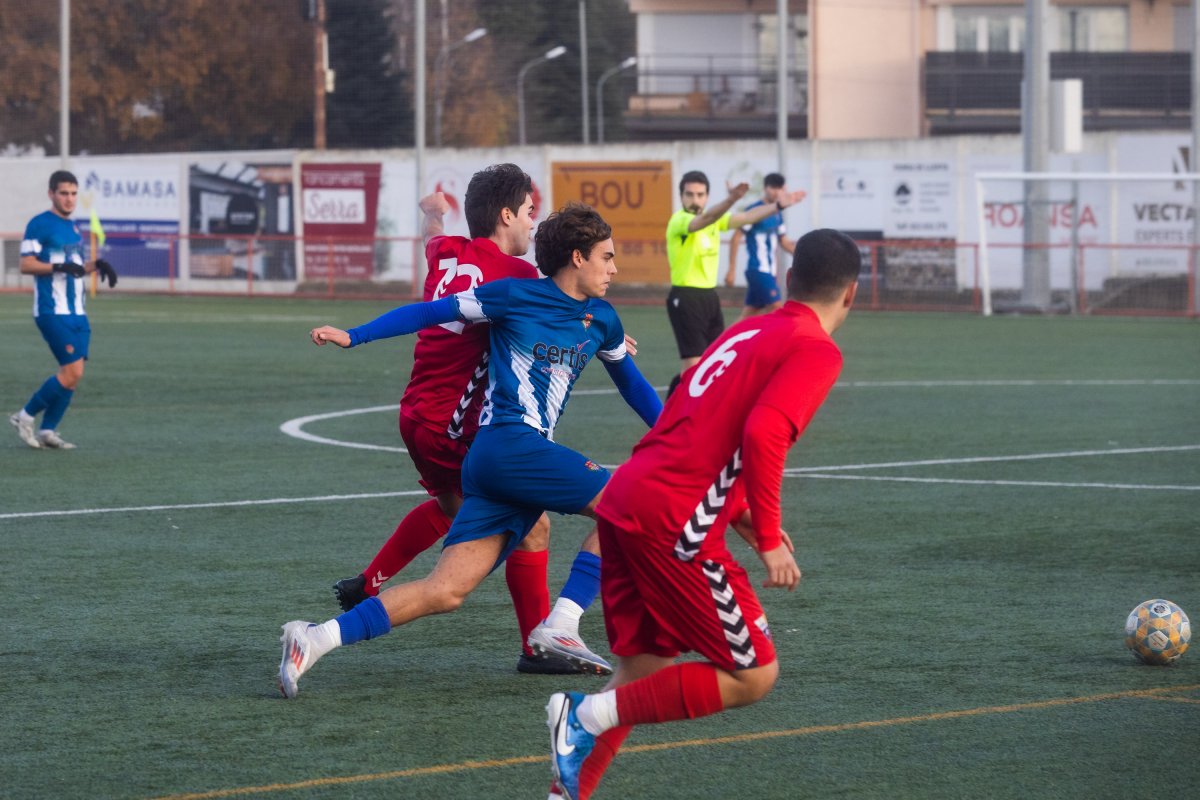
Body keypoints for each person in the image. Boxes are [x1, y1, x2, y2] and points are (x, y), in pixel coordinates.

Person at [279, 203, 662, 699]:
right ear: (577, 257)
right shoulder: (512, 296)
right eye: (606, 257)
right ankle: (562, 623)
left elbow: (634, 388)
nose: (614, 269)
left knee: (446, 590)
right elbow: (430, 312)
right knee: (630, 504)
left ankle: (313, 637)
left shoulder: (603, 320)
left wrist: (678, 432)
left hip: (498, 463)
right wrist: (355, 335)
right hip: (509, 446)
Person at [545, 228, 862, 800]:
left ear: (789, 281)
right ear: (853, 294)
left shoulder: (748, 328)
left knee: (638, 677)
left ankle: (564, 793)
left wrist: (738, 511)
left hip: (626, 500)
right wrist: (766, 535)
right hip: (673, 523)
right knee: (754, 673)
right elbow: (764, 431)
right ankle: (581, 718)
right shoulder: (816, 347)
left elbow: (696, 425)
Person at [326, 164, 606, 675]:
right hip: (458, 421)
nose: (532, 223)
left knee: (455, 508)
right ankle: (537, 644)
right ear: (505, 215)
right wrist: (599, 330)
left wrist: (433, 216)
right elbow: (559, 303)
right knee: (530, 527)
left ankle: (369, 583)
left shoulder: (446, 250)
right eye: (527, 213)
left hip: (415, 414)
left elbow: (434, 239)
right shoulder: (519, 277)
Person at [664, 170, 803, 398]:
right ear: (681, 196)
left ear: (707, 197)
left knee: (713, 364)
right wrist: (731, 200)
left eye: (700, 195)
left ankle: (675, 410)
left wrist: (777, 206)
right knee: (693, 370)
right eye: (689, 194)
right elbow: (706, 218)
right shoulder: (680, 221)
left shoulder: (715, 222)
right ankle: (675, 420)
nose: (695, 200)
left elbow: (747, 217)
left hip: (710, 297)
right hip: (686, 297)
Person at [10, 170, 118, 450]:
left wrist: (98, 265)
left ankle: (48, 430)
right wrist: (57, 267)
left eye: (73, 193)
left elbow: (75, 266)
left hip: (78, 311)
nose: (70, 199)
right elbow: (26, 264)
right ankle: (24, 416)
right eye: (64, 193)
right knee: (72, 372)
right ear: (51, 194)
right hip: (51, 311)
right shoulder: (39, 224)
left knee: (74, 374)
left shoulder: (74, 228)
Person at [725, 173, 804, 322]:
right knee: (777, 309)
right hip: (757, 270)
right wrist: (731, 269)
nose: (775, 192)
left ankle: (723, 344)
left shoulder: (777, 213)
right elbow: (736, 238)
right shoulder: (754, 211)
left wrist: (804, 257)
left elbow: (784, 241)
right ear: (765, 188)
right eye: (772, 188)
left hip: (770, 272)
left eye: (779, 188)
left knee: (748, 317)